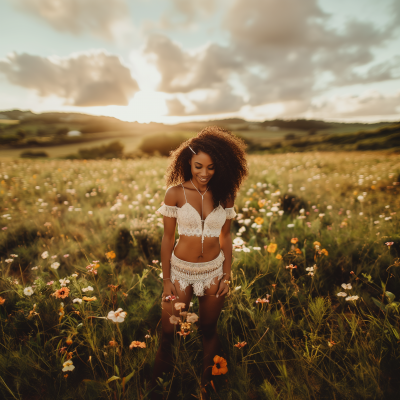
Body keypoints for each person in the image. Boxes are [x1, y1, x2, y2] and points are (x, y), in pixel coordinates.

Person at [150, 126, 248, 399]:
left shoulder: (226, 195)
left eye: (211, 167)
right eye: (198, 166)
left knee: (208, 328)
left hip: (214, 270)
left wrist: (227, 275)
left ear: (222, 167)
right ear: (187, 163)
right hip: (180, 270)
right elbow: (167, 239)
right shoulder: (175, 193)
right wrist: (167, 279)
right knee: (169, 331)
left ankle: (209, 387)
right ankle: (158, 388)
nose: (204, 173)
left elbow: (226, 236)